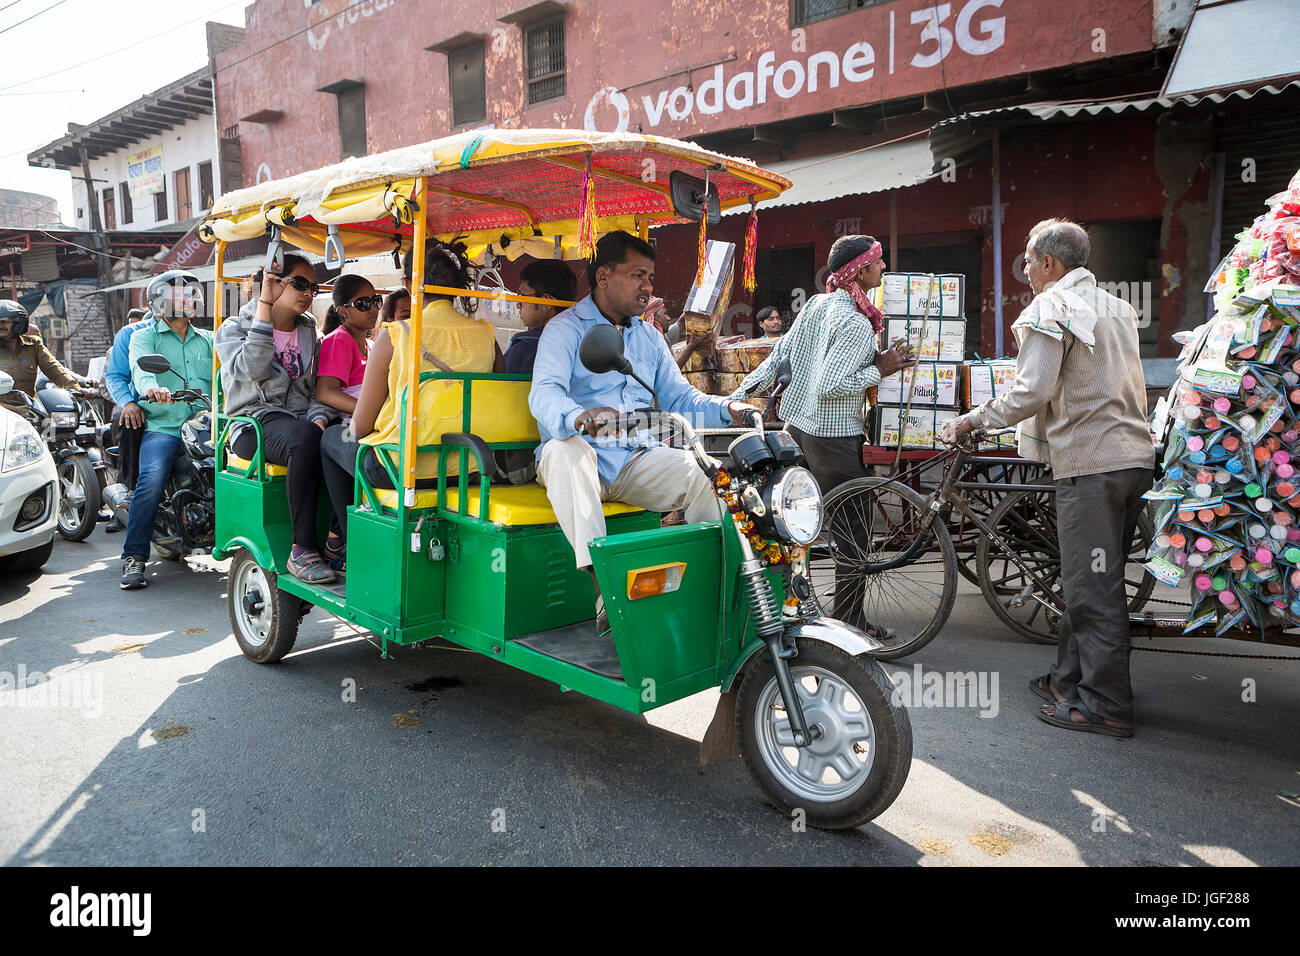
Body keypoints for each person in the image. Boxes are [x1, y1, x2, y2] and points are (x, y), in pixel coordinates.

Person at [938, 218, 1154, 738]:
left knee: (1091, 589)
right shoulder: (1118, 308)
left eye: (1029, 260)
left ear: (1051, 264)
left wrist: (972, 419)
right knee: (1088, 578)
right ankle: (1068, 680)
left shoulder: (1051, 307)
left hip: (1091, 461)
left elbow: (1031, 392)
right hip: (1132, 458)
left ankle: (1105, 704)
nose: (1027, 270)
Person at [529, 230, 759, 635]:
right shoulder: (564, 329)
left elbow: (679, 398)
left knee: (707, 474)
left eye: (650, 277)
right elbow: (544, 393)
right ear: (603, 277)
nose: (648, 286)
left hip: (632, 457)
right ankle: (606, 594)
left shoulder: (649, 337)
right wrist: (579, 417)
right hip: (575, 454)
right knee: (568, 452)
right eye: (638, 275)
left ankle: (705, 590)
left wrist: (729, 408)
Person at [731, 235, 914, 632]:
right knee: (854, 529)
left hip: (799, 428)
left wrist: (737, 397)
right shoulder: (854, 322)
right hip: (833, 438)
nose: (883, 269)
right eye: (878, 263)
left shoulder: (818, 303)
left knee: (798, 520)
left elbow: (781, 355)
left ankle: (792, 608)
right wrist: (880, 369)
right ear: (860, 271)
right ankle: (850, 621)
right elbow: (830, 384)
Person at [319, 241, 496, 562]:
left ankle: (350, 544)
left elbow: (359, 428)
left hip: (401, 468)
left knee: (332, 439)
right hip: (469, 467)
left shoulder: (395, 334)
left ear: (409, 284)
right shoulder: (486, 334)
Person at [214, 254, 337, 585]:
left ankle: (338, 539)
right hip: (251, 424)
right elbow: (251, 370)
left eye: (312, 285)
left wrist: (321, 419)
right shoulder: (234, 329)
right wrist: (264, 309)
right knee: (304, 437)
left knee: (347, 436)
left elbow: (316, 390)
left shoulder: (310, 330)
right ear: (270, 283)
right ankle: (301, 548)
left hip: (299, 425)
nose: (308, 292)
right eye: (299, 283)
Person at [119, 273, 213, 589]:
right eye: (181, 296)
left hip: (206, 427)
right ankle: (134, 558)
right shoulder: (144, 338)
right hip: (165, 426)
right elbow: (142, 373)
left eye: (191, 295)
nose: (190, 300)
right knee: (152, 480)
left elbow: (227, 375)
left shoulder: (209, 339)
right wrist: (152, 390)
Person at [103, 307, 151, 533]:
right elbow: (112, 379)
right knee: (126, 422)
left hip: (174, 406)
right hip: (132, 403)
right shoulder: (128, 336)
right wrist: (128, 403)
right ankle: (124, 498)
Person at [316, 274, 380, 419]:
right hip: (353, 424)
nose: (373, 309)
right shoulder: (339, 340)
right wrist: (372, 412)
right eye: (363, 303)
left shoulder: (371, 345)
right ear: (343, 311)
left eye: (376, 301)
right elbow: (325, 393)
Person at [0, 299, 85, 407]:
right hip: (2, 411)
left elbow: (53, 368)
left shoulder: (34, 344)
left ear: (18, 323)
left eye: (5, 321)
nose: (1, 325)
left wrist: (74, 389)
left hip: (29, 409)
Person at [503, 259, 578, 374]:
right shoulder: (584, 342)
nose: (518, 305)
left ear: (546, 302)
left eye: (521, 297)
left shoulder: (525, 349)